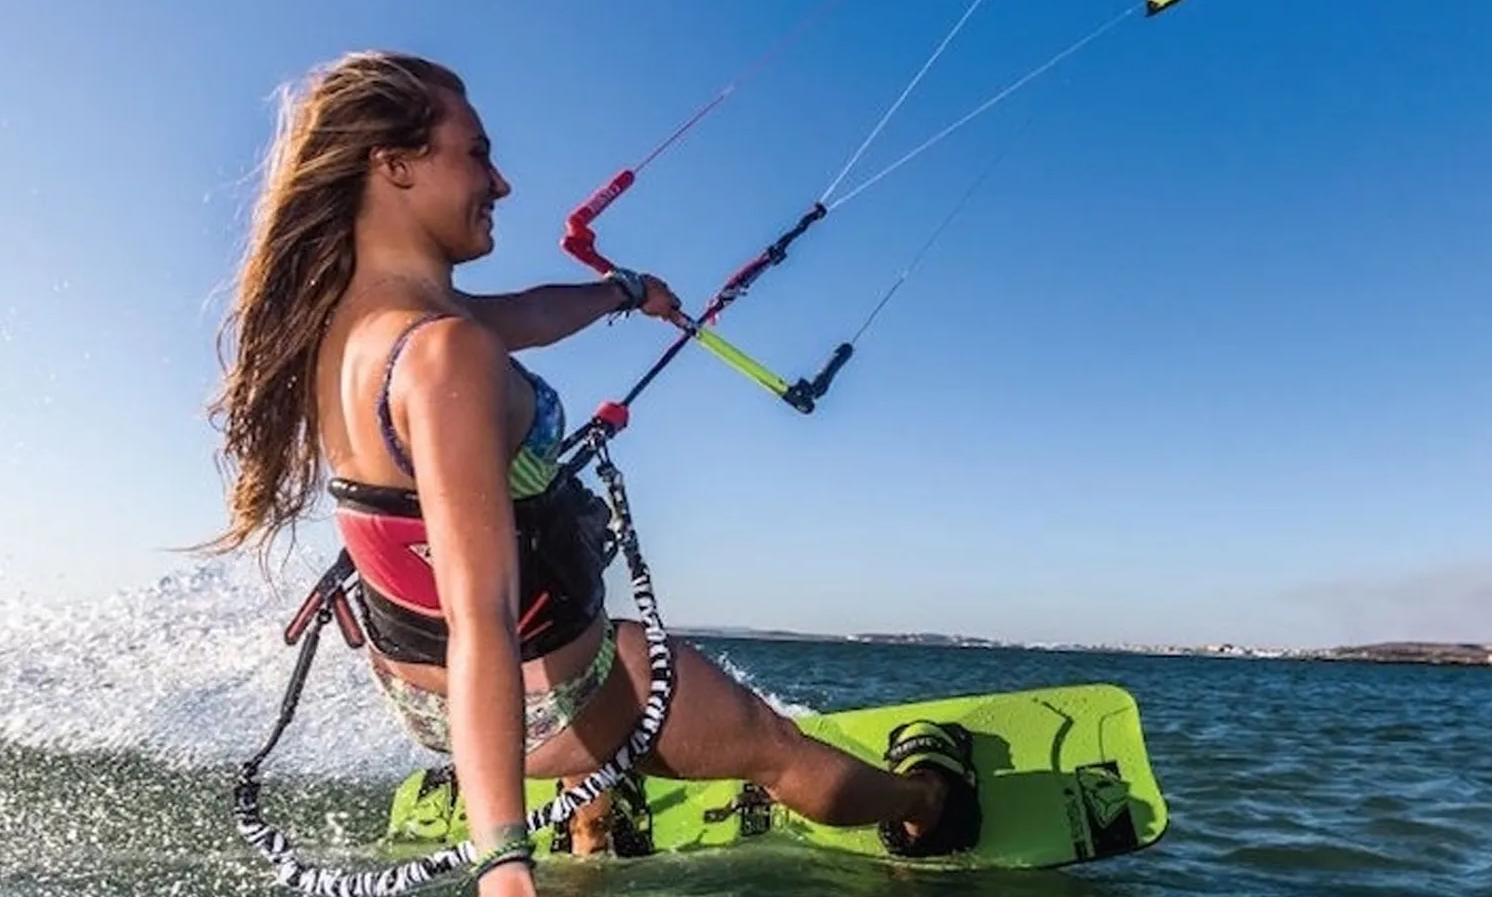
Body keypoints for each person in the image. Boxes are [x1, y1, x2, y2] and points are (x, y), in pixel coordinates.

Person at [206, 50, 981, 896]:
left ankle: (589, 817)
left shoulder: (348, 331)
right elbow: (482, 620)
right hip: (546, 691)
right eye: (476, 154)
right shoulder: (444, 355)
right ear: (394, 165)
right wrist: (503, 861)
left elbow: (528, 315)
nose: (500, 184)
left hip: (415, 688)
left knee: (589, 689)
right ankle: (928, 803)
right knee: (772, 747)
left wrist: (623, 292)